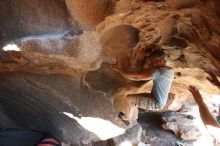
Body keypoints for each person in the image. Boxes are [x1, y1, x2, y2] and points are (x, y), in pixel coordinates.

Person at [115, 49, 174, 123]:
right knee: (133, 99)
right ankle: (130, 114)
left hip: (156, 102)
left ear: (160, 61)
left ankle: (126, 118)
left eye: (152, 63)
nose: (151, 65)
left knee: (129, 98)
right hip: (155, 98)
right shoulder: (170, 70)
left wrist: (120, 70)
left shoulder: (159, 72)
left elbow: (137, 77)